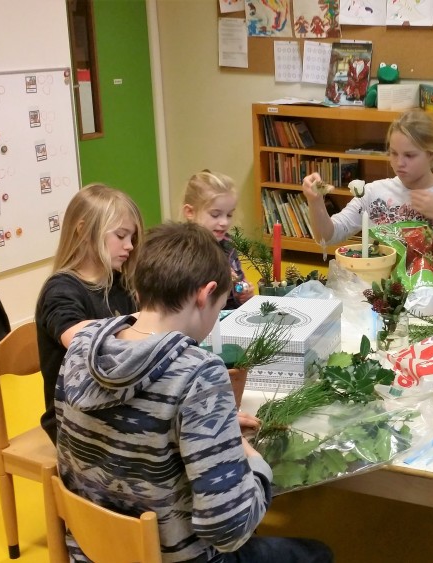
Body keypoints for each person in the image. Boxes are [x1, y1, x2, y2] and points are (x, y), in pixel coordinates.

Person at [54, 222, 333, 563]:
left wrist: (211, 427)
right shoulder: (199, 374)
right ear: (205, 294)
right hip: (177, 558)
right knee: (318, 553)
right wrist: (256, 462)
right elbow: (228, 529)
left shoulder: (82, 348)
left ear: (139, 289)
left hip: (92, 553)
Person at [300, 109, 433, 280]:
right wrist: (315, 202)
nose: (399, 163)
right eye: (393, 153)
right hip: (381, 296)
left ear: (431, 155)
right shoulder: (373, 193)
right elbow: (327, 236)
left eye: (409, 155)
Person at [35, 184, 143, 443]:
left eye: (132, 238)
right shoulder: (60, 289)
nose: (129, 246)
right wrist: (141, 321)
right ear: (83, 231)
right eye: (121, 235)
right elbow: (78, 340)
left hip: (114, 402)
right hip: (73, 419)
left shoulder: (120, 283)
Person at [182, 169, 254, 309]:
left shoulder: (228, 244)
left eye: (229, 215)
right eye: (215, 215)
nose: (224, 222)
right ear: (190, 212)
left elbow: (238, 283)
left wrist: (242, 293)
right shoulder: (183, 250)